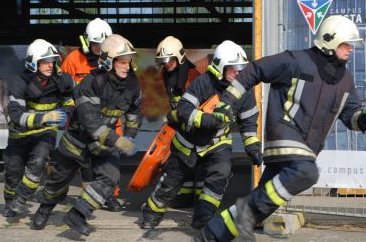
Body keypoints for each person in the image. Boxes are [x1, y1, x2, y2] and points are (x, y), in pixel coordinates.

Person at [194, 15, 365, 242]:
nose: (350, 50)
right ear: (330, 40)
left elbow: (351, 115)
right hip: (284, 136)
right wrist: (227, 102)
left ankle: (211, 234)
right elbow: (254, 70)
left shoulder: (345, 80)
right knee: (307, 173)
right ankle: (243, 211)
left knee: (259, 209)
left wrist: (363, 119)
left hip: (305, 150)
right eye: (346, 44)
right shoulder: (295, 61)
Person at [141, 40, 261, 230]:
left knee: (219, 176)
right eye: (234, 68)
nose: (239, 72)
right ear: (221, 66)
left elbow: (248, 121)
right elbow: (184, 110)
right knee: (170, 184)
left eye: (242, 67)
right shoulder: (203, 82)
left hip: (217, 144)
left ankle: (203, 220)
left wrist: (252, 146)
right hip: (187, 143)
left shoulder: (245, 90)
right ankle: (151, 215)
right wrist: (208, 120)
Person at [30, 34, 142, 236]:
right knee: (58, 181)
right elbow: (92, 125)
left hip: (104, 146)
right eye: (122, 62)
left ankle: (77, 214)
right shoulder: (91, 83)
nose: (127, 66)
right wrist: (120, 141)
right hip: (77, 142)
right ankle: (45, 209)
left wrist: (131, 135)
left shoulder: (132, 84)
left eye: (129, 61)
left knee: (110, 178)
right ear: (109, 60)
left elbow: (134, 114)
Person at [3, 39, 75, 217]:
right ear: (33, 62)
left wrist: (66, 113)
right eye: (45, 62)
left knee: (39, 162)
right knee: (13, 171)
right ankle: (10, 202)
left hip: (45, 133)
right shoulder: (19, 82)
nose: (50, 65)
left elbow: (70, 99)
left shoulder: (62, 79)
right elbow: (16, 115)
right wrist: (45, 117)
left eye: (52, 61)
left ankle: (21, 199)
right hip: (20, 134)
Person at [61, 17, 122, 212]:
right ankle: (89, 197)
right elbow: (64, 90)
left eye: (103, 44)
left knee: (110, 159)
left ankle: (110, 195)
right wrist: (69, 109)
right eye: (96, 44)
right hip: (83, 120)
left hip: (109, 119)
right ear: (87, 41)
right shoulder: (73, 60)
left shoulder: (116, 59)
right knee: (85, 161)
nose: (99, 48)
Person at [155, 36, 201, 208]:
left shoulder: (191, 76)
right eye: (163, 61)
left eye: (168, 60)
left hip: (196, 124)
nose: (166, 64)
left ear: (179, 57)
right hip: (181, 125)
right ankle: (186, 197)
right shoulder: (168, 74)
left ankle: (200, 200)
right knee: (183, 160)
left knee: (197, 163)